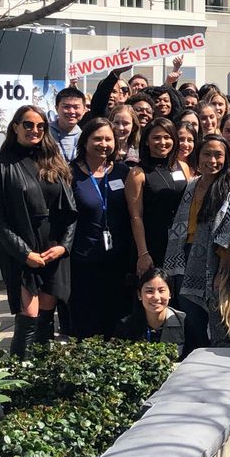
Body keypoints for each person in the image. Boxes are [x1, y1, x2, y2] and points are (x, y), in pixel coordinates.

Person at [0, 105, 77, 357]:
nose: (34, 130)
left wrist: (63, 246)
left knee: (46, 317)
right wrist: (25, 254)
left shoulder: (54, 162)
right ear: (15, 127)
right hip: (21, 251)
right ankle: (18, 382)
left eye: (40, 126)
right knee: (29, 316)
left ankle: (41, 376)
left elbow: (70, 212)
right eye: (27, 124)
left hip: (53, 250)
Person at [165, 134, 230, 353]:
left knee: (214, 323)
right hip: (184, 260)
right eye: (207, 154)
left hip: (214, 262)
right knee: (191, 322)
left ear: (227, 158)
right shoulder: (192, 185)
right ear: (198, 156)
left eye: (218, 155)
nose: (212, 160)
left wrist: (223, 271)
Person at [68, 116, 132, 338]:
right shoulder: (69, 174)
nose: (104, 144)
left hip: (118, 260)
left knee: (115, 320)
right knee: (86, 320)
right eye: (97, 139)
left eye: (108, 139)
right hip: (84, 259)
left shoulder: (123, 172)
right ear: (85, 141)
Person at [126, 117, 189, 274]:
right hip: (152, 243)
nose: (162, 142)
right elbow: (136, 217)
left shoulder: (183, 167)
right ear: (147, 141)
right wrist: (143, 253)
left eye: (167, 137)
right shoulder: (137, 173)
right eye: (156, 137)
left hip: (180, 243)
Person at [114, 267, 187, 359]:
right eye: (149, 291)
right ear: (139, 295)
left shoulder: (185, 323)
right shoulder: (125, 326)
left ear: (170, 294)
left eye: (161, 291)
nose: (156, 297)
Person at [51, 87, 86, 161]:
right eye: (66, 107)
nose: (71, 111)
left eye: (76, 107)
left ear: (84, 109)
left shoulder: (85, 136)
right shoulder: (45, 133)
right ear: (56, 108)